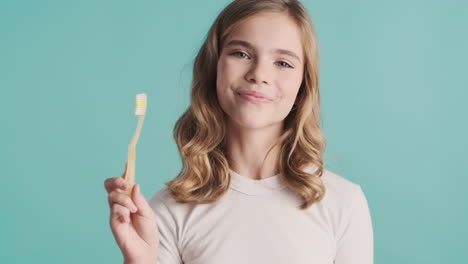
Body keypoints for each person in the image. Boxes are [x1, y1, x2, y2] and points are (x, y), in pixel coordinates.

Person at [104, 0, 374, 263]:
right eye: (241, 54)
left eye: (283, 63)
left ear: (304, 84)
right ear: (214, 67)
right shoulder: (167, 211)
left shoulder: (343, 203)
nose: (259, 74)